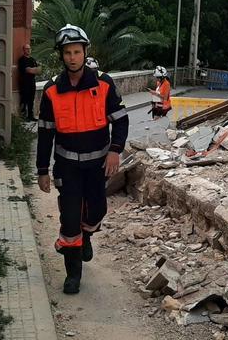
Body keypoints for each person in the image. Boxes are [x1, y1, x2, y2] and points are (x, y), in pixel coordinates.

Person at [35, 24, 129, 295]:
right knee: (70, 218)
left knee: (97, 210)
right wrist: (43, 170)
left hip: (97, 165)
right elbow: (45, 133)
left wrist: (115, 150)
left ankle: (86, 235)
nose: (72, 57)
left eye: (77, 51)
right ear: (61, 55)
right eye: (67, 52)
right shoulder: (53, 90)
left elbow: (120, 121)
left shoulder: (104, 83)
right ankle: (73, 274)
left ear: (85, 52)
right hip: (67, 167)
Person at [17, 44, 41, 121]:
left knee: (31, 99)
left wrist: (32, 70)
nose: (28, 50)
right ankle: (24, 116)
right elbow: (27, 70)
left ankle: (30, 116)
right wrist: (33, 70)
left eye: (29, 49)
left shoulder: (32, 60)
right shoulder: (22, 60)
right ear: (23, 50)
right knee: (24, 99)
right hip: (24, 82)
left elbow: (39, 70)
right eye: (26, 49)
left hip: (32, 82)